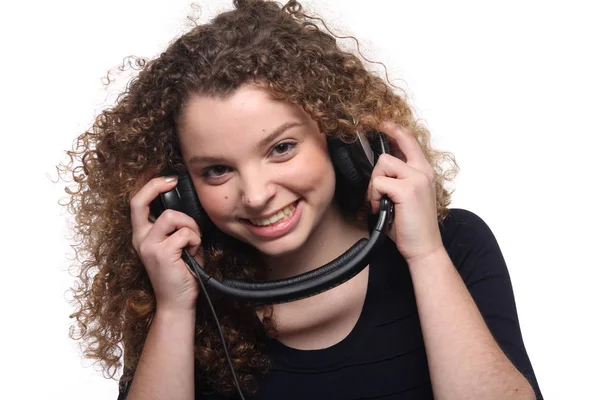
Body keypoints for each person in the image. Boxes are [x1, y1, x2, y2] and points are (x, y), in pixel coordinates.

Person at [58, 0, 543, 399]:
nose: (256, 194)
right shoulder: (173, 289)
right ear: (179, 191)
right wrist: (174, 309)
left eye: (281, 148)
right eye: (217, 170)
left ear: (343, 141)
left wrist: (426, 255)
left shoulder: (454, 245)